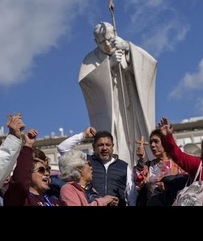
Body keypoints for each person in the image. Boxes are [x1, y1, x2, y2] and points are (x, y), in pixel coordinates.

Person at [78, 21, 158, 168]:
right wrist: (109, 66)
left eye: (109, 39)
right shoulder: (90, 60)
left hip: (133, 105)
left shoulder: (125, 47)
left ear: (115, 32)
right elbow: (87, 82)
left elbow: (150, 64)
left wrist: (128, 48)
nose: (107, 44)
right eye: (102, 42)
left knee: (138, 137)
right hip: (113, 110)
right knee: (119, 140)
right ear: (96, 42)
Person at [57, 127, 138, 206]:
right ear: (93, 147)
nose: (104, 148)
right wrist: (83, 135)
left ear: (112, 146)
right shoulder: (85, 162)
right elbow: (62, 148)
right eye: (100, 145)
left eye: (108, 145)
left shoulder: (123, 166)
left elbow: (132, 195)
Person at [4, 128, 66, 206]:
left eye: (47, 170)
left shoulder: (57, 202)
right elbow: (20, 181)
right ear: (28, 174)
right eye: (41, 170)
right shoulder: (21, 199)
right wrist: (28, 145)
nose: (47, 173)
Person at [133, 128, 189, 206]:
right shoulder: (149, 165)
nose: (152, 145)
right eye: (151, 142)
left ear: (165, 143)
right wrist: (141, 159)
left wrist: (168, 187)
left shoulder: (178, 164)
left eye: (156, 141)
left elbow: (187, 183)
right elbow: (138, 181)